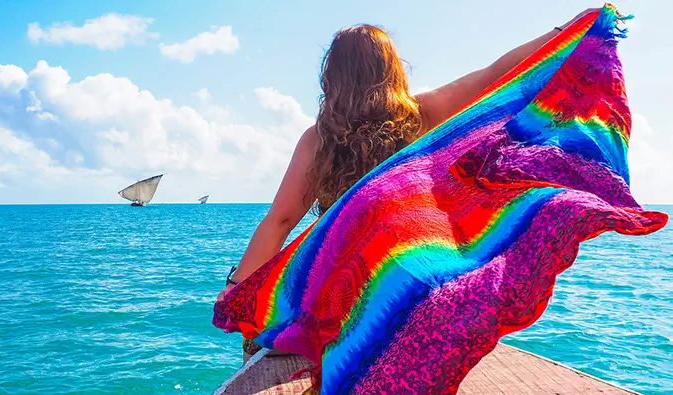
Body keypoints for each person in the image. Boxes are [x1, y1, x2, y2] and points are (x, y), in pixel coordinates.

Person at [218, 8, 597, 302]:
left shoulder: (319, 140)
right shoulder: (422, 115)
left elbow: (281, 220)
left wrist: (237, 288)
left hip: (345, 290)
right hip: (417, 281)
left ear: (331, 75)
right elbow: (495, 74)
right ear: (391, 69)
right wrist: (567, 32)